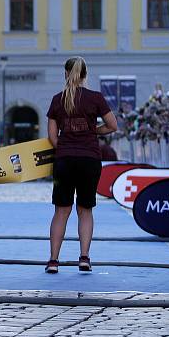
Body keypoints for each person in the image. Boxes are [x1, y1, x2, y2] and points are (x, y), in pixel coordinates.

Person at [45, 56, 117, 274]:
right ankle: (84, 258)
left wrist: (66, 146)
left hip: (65, 161)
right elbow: (113, 125)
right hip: (89, 160)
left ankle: (53, 261)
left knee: (61, 211)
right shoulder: (95, 98)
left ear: (66, 74)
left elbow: (52, 138)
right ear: (85, 74)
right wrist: (94, 131)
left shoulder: (57, 100)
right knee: (85, 210)